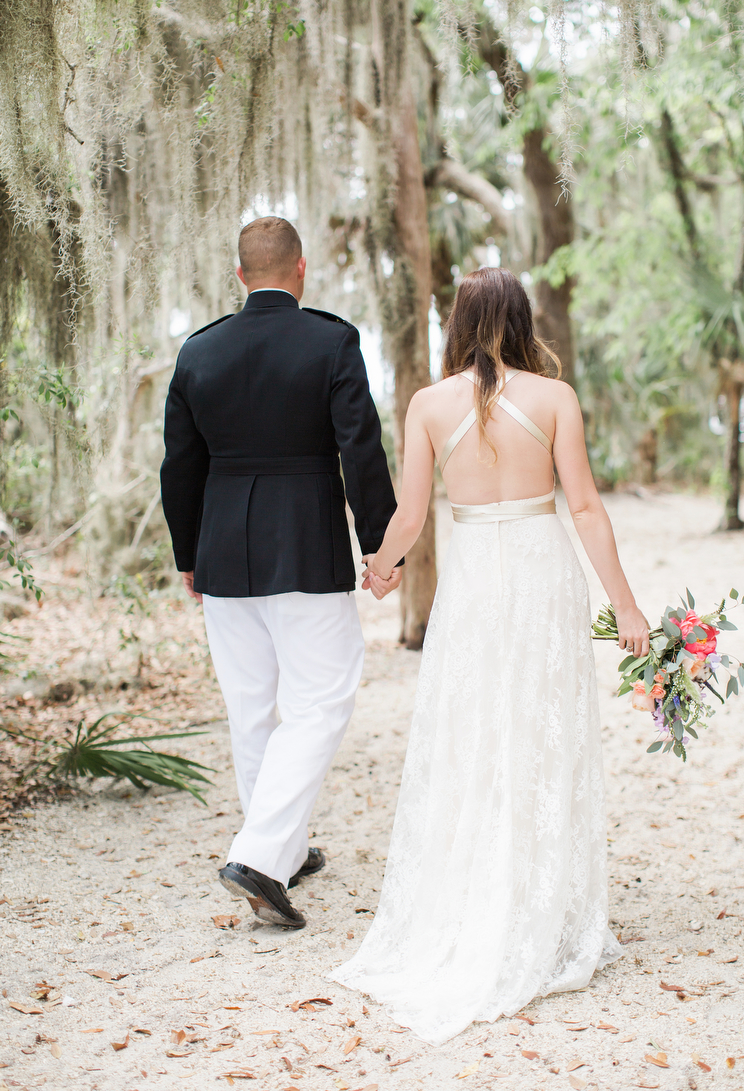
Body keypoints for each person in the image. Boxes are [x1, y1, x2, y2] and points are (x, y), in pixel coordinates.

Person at [333, 267, 650, 1044]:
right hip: (542, 575)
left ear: (459, 322)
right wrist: (626, 604)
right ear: (522, 319)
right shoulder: (554, 399)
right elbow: (583, 507)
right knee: (541, 736)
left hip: (474, 582)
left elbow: (410, 514)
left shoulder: (428, 404)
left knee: (473, 735)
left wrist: (379, 569)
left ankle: (474, 899)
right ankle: (536, 910)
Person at [160, 216, 401, 930]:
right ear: (302, 268)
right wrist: (380, 544)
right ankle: (261, 855)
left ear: (241, 275)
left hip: (223, 549)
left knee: (250, 705)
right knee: (322, 699)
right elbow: (360, 446)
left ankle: (282, 851)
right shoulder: (331, 340)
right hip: (305, 540)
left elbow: (180, 465)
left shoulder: (198, 352)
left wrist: (187, 552)